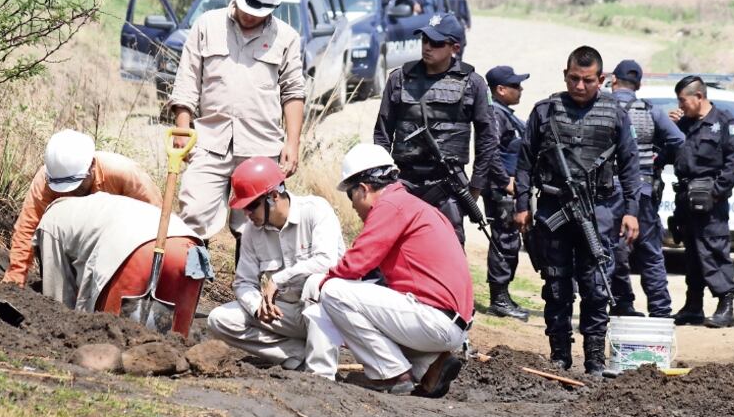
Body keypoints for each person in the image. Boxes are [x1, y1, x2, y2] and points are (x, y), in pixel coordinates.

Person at [514, 46, 641, 375]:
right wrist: (522, 205)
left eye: (587, 80)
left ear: (601, 79)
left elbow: (630, 166)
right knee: (556, 285)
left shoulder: (615, 113)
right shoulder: (545, 111)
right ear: (564, 75)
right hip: (554, 208)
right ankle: (560, 355)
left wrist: (631, 211)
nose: (579, 86)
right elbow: (525, 162)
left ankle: (595, 359)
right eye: (573, 79)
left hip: (597, 210)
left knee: (596, 286)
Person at [167, 0, 305, 245]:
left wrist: (292, 143)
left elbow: (293, 92)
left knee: (259, 227)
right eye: (246, 8)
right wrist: (183, 130)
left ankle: (249, 287)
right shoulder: (207, 25)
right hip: (208, 142)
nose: (250, 16)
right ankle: (188, 285)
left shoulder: (287, 38)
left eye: (259, 13)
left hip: (261, 147)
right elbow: (187, 81)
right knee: (193, 216)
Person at [318, 143, 473, 397]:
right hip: (450, 323)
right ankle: (430, 366)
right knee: (365, 301)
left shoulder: (390, 206)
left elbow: (356, 263)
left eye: (351, 195)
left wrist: (320, 284)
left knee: (334, 292)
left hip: (435, 320)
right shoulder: (414, 205)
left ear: (364, 189)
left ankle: (390, 373)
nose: (353, 206)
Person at [207, 157, 344, 378]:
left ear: (273, 196)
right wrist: (257, 306)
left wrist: (278, 279)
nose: (247, 214)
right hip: (288, 313)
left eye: (251, 206)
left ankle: (321, 375)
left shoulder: (316, 210)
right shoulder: (252, 232)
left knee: (315, 284)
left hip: (327, 314)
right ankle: (297, 354)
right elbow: (243, 282)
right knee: (219, 319)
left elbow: (327, 261)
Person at [373, 12, 499, 245]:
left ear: (455, 47)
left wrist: (476, 184)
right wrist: (383, 180)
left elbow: (488, 138)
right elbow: (382, 133)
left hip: (448, 185)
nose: (427, 47)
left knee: (448, 251)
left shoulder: (473, 83)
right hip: (404, 180)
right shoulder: (399, 79)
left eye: (436, 43)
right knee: (393, 250)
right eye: (424, 40)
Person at [34, 193, 212, 337]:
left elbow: (58, 300)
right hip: (190, 249)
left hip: (136, 249)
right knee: (177, 342)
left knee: (111, 336)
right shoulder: (102, 204)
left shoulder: (50, 223)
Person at [2, 129, 162, 288]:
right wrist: (16, 274)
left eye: (76, 186)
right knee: (48, 225)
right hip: (69, 249)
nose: (69, 192)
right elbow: (27, 227)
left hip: (117, 244)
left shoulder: (124, 173)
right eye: (62, 188)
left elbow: (156, 220)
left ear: (92, 165)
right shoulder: (46, 179)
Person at [606, 60, 684, 318]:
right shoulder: (652, 111)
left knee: (613, 249)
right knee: (650, 251)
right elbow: (678, 140)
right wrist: (656, 157)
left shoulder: (601, 108)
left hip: (608, 192)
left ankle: (622, 303)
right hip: (643, 191)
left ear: (613, 80)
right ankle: (660, 310)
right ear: (638, 85)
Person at [670, 76, 734, 329]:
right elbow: (670, 152)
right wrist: (669, 127)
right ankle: (693, 306)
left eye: (683, 100)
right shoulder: (683, 124)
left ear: (698, 97)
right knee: (692, 253)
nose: (680, 105)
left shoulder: (724, 122)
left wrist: (716, 192)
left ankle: (726, 307)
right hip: (685, 198)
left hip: (710, 200)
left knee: (714, 249)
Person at [482, 65, 530, 321]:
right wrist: (505, 182)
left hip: (508, 188)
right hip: (502, 191)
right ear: (500, 89)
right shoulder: (495, 115)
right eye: (515, 86)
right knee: (504, 242)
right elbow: (490, 152)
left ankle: (504, 295)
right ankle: (498, 299)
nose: (520, 90)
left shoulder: (505, 114)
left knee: (510, 241)